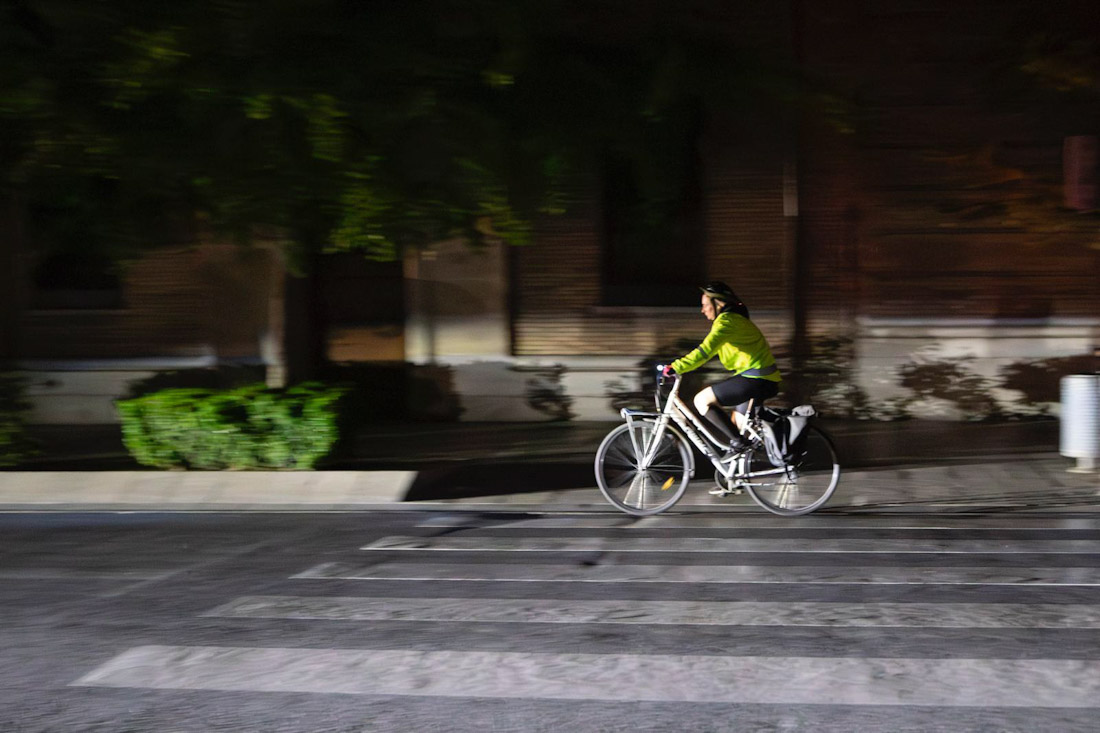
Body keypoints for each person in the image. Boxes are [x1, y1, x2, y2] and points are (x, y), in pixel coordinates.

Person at [663, 281, 781, 454]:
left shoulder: (726, 322)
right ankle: (738, 474)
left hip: (756, 379)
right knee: (738, 426)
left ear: (718, 304)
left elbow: (704, 352)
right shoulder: (735, 320)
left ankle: (740, 444)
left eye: (705, 305)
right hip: (762, 379)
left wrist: (676, 367)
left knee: (701, 400)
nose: (703, 310)